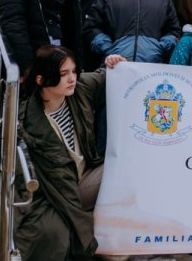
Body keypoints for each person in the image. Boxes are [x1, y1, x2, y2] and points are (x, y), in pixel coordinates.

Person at [14, 45, 126, 260]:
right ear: (40, 79)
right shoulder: (28, 121)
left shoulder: (79, 90)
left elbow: (113, 76)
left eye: (73, 71)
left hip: (84, 179)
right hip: (57, 191)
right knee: (53, 233)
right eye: (63, 74)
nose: (72, 78)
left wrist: (116, 62)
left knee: (127, 164)